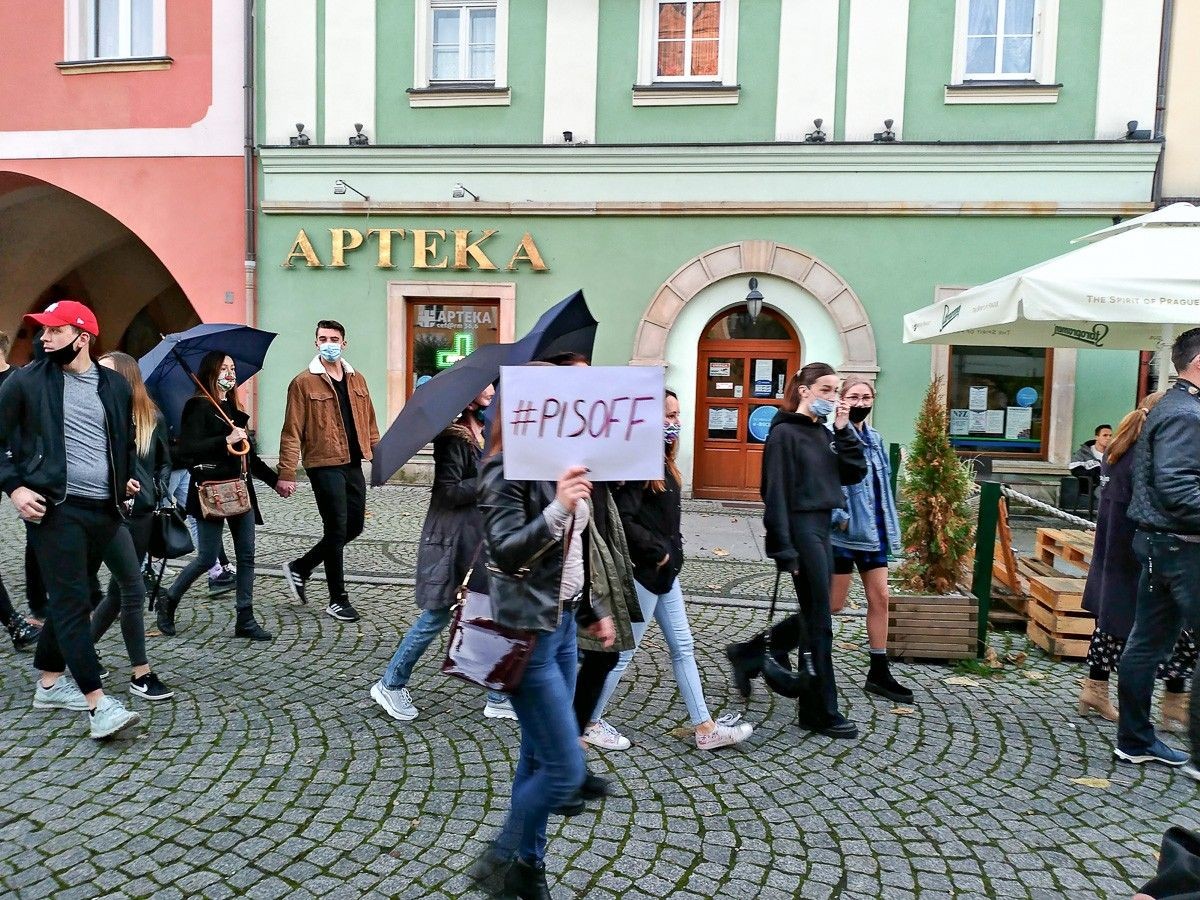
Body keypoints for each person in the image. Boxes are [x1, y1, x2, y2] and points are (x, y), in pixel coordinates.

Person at [469, 385, 616, 900]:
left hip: (563, 627)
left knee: (538, 756)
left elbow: (570, 556)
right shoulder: (502, 469)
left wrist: (594, 610)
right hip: (526, 636)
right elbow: (507, 552)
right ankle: (498, 858)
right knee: (564, 768)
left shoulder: (561, 463)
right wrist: (558, 506)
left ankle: (528, 871)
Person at [0, 300, 141, 739]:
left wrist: (126, 479)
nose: (43, 338)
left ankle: (47, 683)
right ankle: (98, 704)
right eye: (42, 331)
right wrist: (16, 488)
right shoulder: (26, 381)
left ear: (82, 337)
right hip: (54, 508)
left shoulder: (115, 385)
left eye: (53, 331)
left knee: (75, 599)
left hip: (103, 509)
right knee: (71, 601)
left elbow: (122, 440)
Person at [582, 390, 753, 752]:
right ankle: (587, 721)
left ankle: (704, 727)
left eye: (677, 415)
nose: (674, 422)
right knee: (623, 653)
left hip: (665, 573)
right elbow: (624, 519)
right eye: (668, 415)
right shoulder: (639, 463)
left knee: (684, 646)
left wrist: (671, 554)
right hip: (646, 574)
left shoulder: (662, 460)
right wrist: (658, 552)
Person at [725, 362, 867, 739]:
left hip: (823, 528)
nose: (832, 398)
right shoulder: (784, 434)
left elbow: (854, 472)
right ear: (803, 390)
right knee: (820, 621)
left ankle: (750, 652)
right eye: (825, 389)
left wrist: (844, 430)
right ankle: (819, 709)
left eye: (836, 391)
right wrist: (783, 549)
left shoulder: (823, 432)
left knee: (816, 614)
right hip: (803, 531)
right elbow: (774, 494)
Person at [370, 387, 516, 722]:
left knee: (490, 609)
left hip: (477, 538)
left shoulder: (482, 431)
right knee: (436, 615)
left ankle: (496, 694)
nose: (491, 391)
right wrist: (490, 473)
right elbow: (449, 492)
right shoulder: (453, 439)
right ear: (465, 398)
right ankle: (390, 683)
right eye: (485, 388)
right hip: (452, 542)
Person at [1078, 391, 1196, 726]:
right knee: (1175, 628)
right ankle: (1170, 701)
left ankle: (1097, 689)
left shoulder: (1120, 448)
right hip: (1140, 552)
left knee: (1113, 625)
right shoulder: (1146, 454)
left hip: (1116, 550)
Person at [1118, 327, 1200, 778]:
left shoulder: (1175, 407)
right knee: (1146, 645)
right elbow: (1178, 489)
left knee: (1145, 645)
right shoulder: (1187, 413)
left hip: (1161, 545)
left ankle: (1134, 740)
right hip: (1182, 549)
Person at [157, 351, 284, 641]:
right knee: (206, 557)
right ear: (211, 374)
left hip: (240, 490)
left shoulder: (232, 408)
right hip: (211, 491)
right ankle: (170, 599)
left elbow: (248, 458)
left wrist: (275, 481)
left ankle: (245, 618)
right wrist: (223, 441)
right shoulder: (198, 406)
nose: (230, 373)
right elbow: (187, 451)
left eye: (232, 367)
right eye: (223, 368)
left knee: (247, 555)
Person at [278, 320, 380, 623]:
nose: (329, 343)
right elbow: (291, 430)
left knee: (354, 527)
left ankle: (301, 567)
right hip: (322, 464)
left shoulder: (357, 379)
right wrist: (286, 472)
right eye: (323, 338)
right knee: (335, 529)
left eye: (334, 338)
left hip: (353, 462)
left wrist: (381, 459)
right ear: (316, 343)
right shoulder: (303, 382)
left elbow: (370, 423)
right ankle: (338, 599)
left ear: (344, 343)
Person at [88, 352, 174, 700]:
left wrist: (152, 488)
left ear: (125, 377)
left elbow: (165, 462)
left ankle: (78, 651)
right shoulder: (97, 413)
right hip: (103, 512)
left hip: (139, 514)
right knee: (129, 589)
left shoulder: (151, 416)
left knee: (119, 590)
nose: (98, 377)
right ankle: (141, 672)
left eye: (106, 372)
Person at [829, 378, 912, 704]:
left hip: (874, 535)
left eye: (866, 396)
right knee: (832, 605)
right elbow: (830, 483)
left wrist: (892, 528)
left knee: (881, 598)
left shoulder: (876, 439)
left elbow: (883, 490)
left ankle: (879, 671)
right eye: (853, 396)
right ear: (842, 400)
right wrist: (841, 518)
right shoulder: (833, 436)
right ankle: (774, 647)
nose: (861, 401)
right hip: (843, 537)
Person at [0, 329, 42, 651]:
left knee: (38, 535)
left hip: (25, 471)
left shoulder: (19, 381)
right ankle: (14, 622)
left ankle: (39, 605)